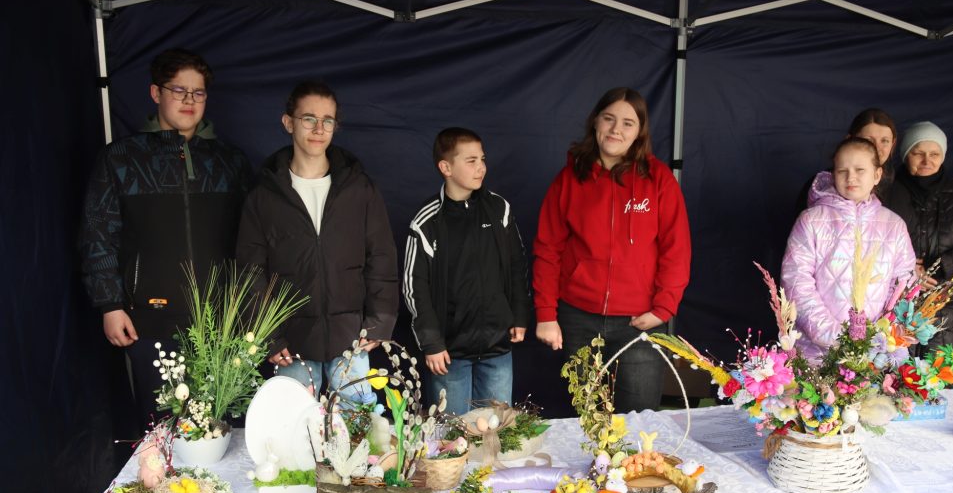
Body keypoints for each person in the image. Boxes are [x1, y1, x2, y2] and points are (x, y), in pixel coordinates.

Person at [80, 48, 252, 434]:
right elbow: (97, 233)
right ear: (156, 93)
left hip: (222, 324)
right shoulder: (121, 159)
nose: (189, 100)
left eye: (198, 92)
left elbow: (252, 239)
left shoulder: (230, 161)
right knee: (166, 435)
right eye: (179, 90)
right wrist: (110, 304)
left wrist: (247, 308)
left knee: (224, 430)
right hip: (150, 322)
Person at [236, 80, 399, 402]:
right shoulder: (263, 196)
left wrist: (380, 322)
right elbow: (251, 272)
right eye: (309, 118)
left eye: (328, 120)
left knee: (356, 429)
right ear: (288, 122)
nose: (319, 129)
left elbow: (381, 256)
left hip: (351, 340)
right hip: (292, 344)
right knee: (293, 430)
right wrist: (268, 336)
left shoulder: (359, 189)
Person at [533, 87, 692, 413]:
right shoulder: (569, 179)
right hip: (578, 318)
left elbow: (676, 249)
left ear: (639, 132)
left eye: (627, 123)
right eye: (609, 119)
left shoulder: (659, 180)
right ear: (595, 122)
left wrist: (663, 308)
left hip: (639, 321)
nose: (616, 129)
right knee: (584, 418)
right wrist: (546, 313)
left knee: (640, 423)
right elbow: (547, 249)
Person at [402, 128, 531, 414]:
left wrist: (519, 315)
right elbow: (414, 288)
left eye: (482, 159)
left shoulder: (499, 209)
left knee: (498, 430)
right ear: (446, 168)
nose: (481, 167)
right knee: (453, 433)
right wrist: (432, 343)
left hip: (497, 347)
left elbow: (516, 266)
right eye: (471, 161)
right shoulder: (427, 221)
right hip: (449, 353)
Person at [782, 137, 916, 362]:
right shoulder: (811, 220)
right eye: (842, 171)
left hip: (876, 355)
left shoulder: (894, 225)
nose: (850, 177)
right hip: (816, 355)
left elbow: (905, 285)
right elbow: (796, 282)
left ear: (877, 175)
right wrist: (836, 337)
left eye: (860, 170)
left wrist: (879, 337)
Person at [878, 121, 953, 351]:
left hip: (942, 310)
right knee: (894, 370)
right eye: (918, 153)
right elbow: (873, 241)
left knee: (938, 370)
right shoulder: (888, 193)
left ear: (943, 156)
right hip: (893, 309)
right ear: (905, 155)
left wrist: (937, 267)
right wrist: (909, 270)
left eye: (934, 154)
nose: (927, 160)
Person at [795, 108, 899, 214]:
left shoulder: (899, 191)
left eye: (884, 141)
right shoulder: (818, 188)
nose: (876, 147)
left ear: (893, 144)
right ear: (849, 140)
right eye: (868, 140)